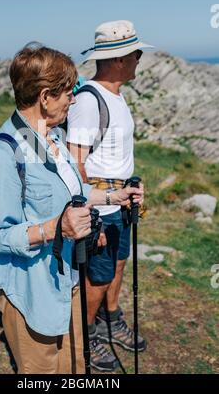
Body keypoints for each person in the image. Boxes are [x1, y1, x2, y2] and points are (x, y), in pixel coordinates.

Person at [0, 42, 142, 374]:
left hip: (65, 279)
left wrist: (117, 196)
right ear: (45, 97)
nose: (74, 99)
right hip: (30, 290)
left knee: (74, 366)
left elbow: (78, 194)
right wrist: (57, 227)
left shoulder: (52, 140)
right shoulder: (2, 154)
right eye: (68, 92)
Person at [67, 20, 153, 372]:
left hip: (121, 200)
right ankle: (87, 335)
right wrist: (92, 214)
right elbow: (76, 164)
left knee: (117, 264)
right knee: (98, 275)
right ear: (118, 59)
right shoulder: (89, 101)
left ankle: (110, 318)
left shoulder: (116, 96)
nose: (139, 59)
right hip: (103, 204)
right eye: (135, 53)